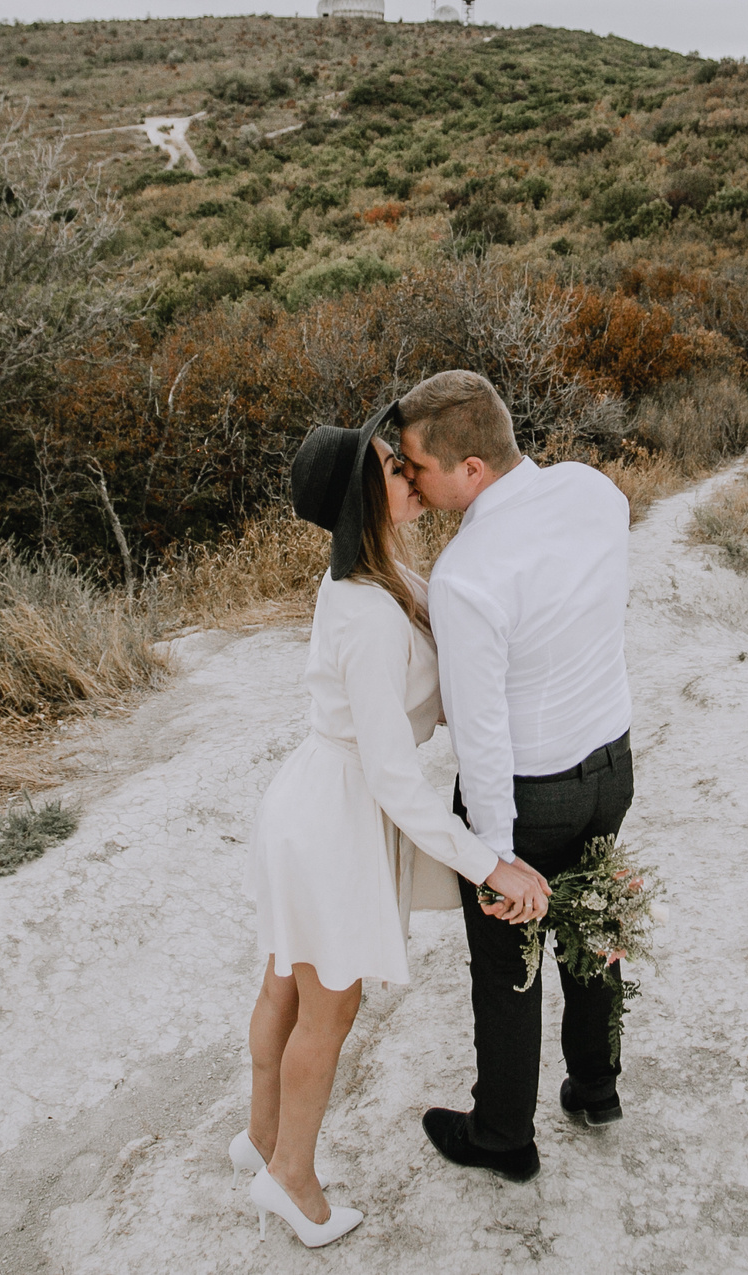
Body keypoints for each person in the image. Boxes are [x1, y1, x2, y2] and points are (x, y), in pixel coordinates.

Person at [240, 404, 552, 1247]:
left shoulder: (377, 573)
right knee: (326, 1006)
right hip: (334, 815)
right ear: (363, 500)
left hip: (312, 800)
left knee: (286, 980)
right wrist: (489, 863)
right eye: (392, 466)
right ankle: (292, 1177)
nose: (410, 470)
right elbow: (396, 782)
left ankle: (261, 1138)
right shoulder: (371, 611)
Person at [394, 370, 636, 1184]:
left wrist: (495, 854)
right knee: (592, 926)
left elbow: (483, 737)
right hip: (612, 762)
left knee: (508, 968)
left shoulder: (468, 575)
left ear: (471, 469)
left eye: (418, 464)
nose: (408, 477)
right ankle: (596, 1086)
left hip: (529, 791)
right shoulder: (595, 490)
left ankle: (503, 1135)